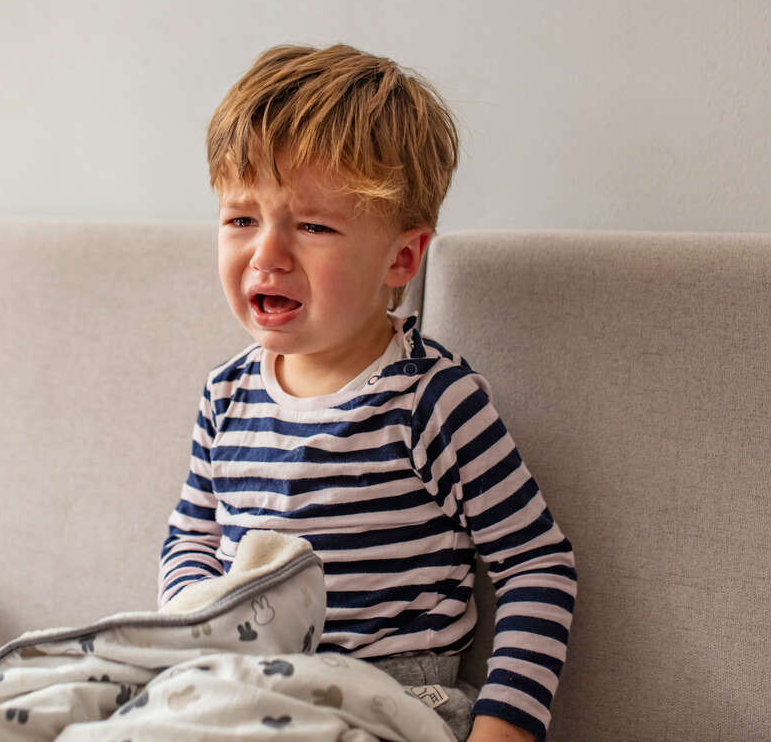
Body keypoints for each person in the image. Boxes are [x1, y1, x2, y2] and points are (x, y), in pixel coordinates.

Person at [158, 43, 576, 742]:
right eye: (241, 219)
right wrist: (193, 637)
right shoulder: (226, 396)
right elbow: (192, 537)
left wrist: (505, 728)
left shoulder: (433, 401)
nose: (267, 254)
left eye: (313, 226)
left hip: (388, 704)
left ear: (402, 258)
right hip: (241, 688)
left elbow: (537, 564)